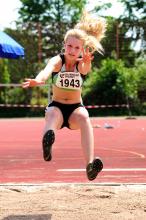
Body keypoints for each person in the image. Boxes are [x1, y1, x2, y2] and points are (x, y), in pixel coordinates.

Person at [22, 11, 106, 181]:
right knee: (52, 114)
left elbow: (85, 69)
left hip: (75, 110)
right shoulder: (57, 60)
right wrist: (38, 81)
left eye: (77, 48)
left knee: (84, 115)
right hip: (58, 107)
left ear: (81, 50)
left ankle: (90, 165)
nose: (72, 50)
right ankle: (47, 145)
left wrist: (87, 60)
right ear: (64, 45)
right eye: (69, 46)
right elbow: (46, 70)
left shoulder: (81, 64)